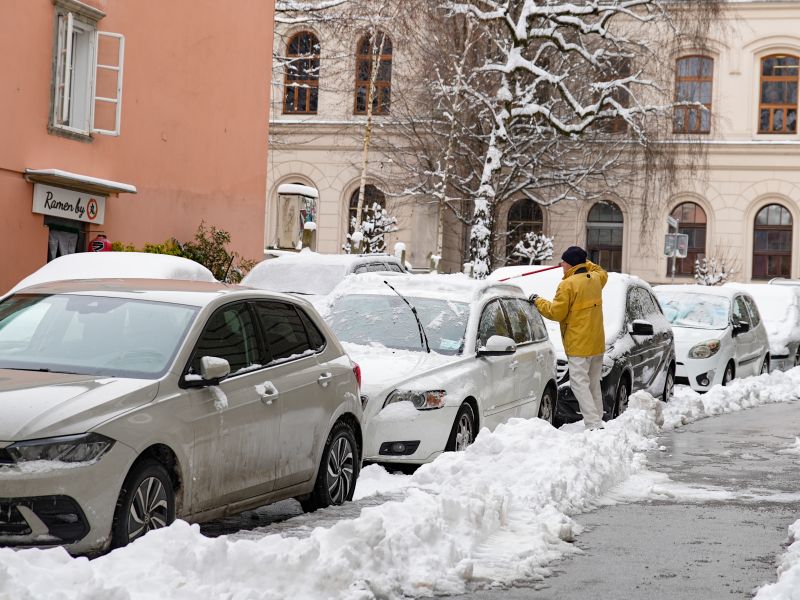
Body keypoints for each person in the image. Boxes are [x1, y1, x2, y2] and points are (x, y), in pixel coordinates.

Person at [530, 246, 608, 430]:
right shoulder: (595, 279)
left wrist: (537, 300)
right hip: (597, 343)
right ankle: (598, 421)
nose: (561, 264)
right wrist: (583, 263)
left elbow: (556, 312)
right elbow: (601, 271)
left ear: (571, 263)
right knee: (593, 384)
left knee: (579, 384)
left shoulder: (568, 285)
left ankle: (593, 424)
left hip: (579, 344)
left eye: (564, 261)